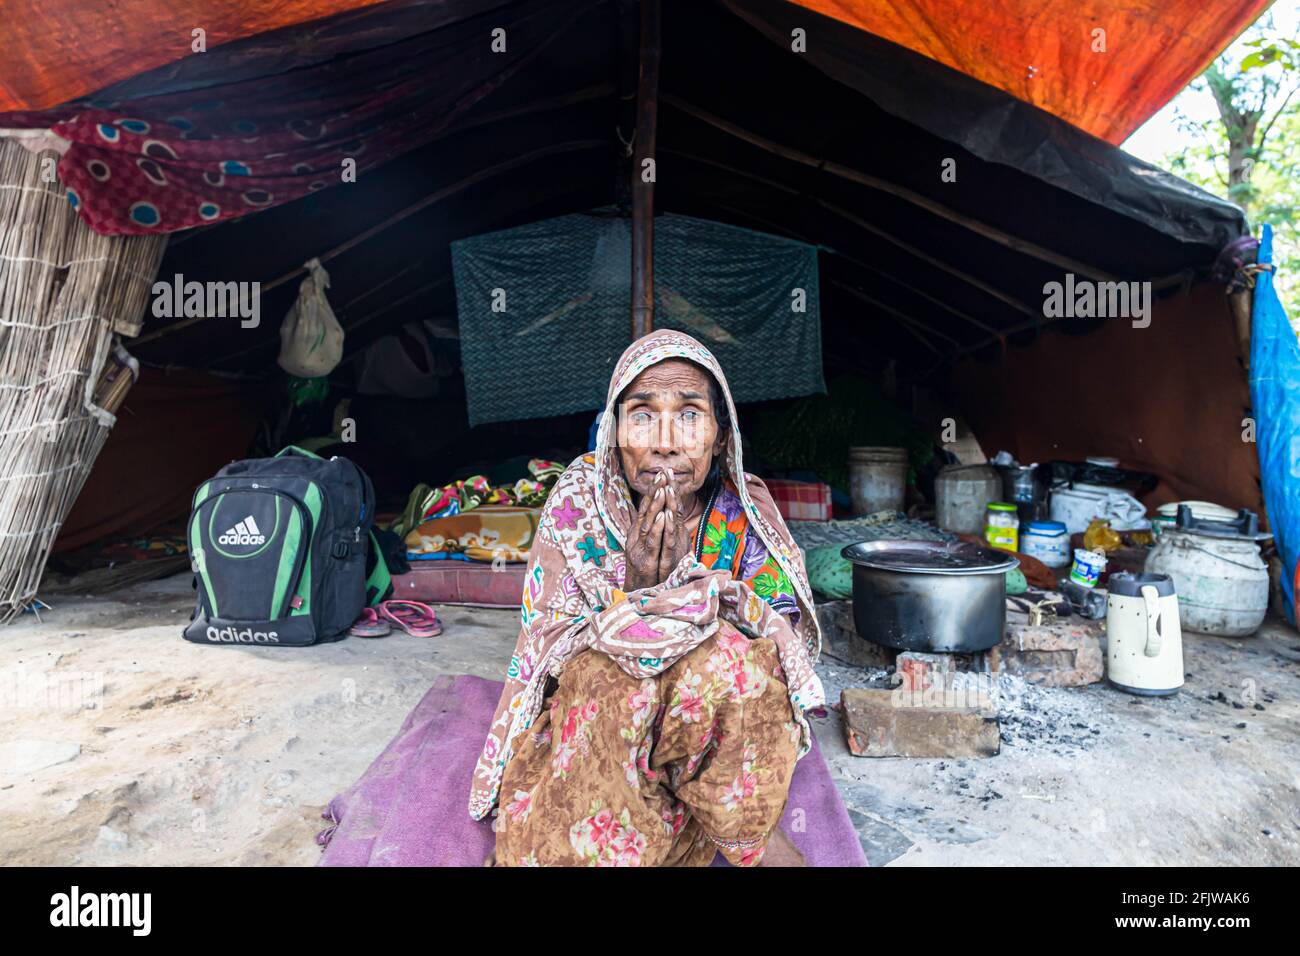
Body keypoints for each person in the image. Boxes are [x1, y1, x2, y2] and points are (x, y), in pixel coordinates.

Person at [468, 329, 824, 866]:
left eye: (689, 415)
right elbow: (550, 652)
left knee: (739, 671)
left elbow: (783, 644)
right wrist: (635, 595)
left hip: (706, 727)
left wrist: (689, 600)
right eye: (641, 414)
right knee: (610, 680)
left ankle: (746, 834)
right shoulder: (579, 499)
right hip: (603, 723)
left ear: (721, 436)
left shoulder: (743, 510)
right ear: (614, 433)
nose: (665, 441)